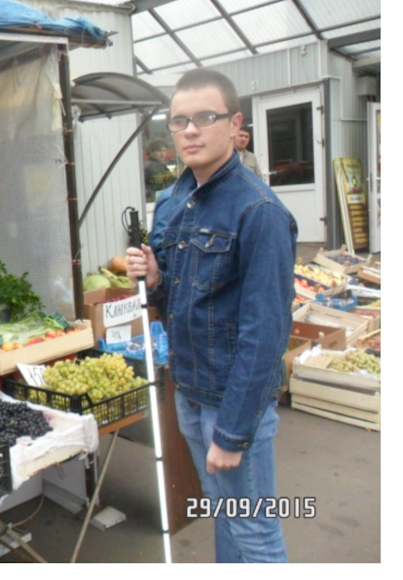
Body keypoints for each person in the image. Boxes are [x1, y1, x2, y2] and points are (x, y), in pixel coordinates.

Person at [126, 69, 297, 563]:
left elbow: (266, 334)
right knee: (225, 515)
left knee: (256, 533)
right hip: (191, 391)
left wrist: (232, 432)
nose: (190, 131)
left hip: (230, 403)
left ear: (235, 124)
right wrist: (156, 279)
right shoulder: (178, 200)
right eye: (179, 121)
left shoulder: (258, 210)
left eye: (205, 117)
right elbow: (183, 300)